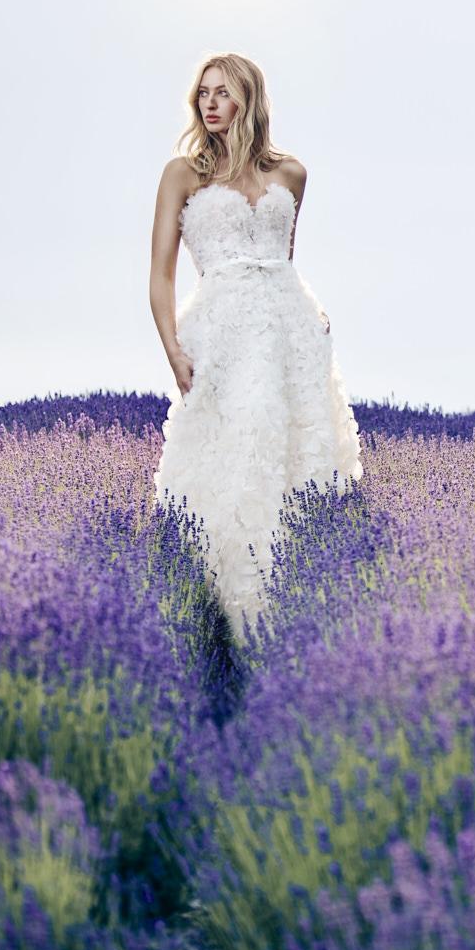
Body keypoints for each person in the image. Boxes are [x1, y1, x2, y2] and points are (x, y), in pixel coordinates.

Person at [149, 53, 361, 639]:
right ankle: (216, 610)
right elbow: (160, 275)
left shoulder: (291, 174)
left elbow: (285, 260)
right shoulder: (183, 173)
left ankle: (298, 610)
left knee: (295, 458)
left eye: (222, 93)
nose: (209, 104)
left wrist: (312, 313)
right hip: (220, 332)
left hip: (288, 331)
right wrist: (173, 350)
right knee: (231, 455)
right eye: (203, 94)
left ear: (248, 99)